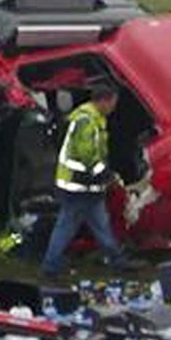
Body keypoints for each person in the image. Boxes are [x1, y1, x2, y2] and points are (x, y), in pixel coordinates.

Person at [40, 80, 137, 278]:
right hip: (77, 185)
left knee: (99, 223)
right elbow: (88, 155)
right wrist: (106, 174)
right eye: (113, 103)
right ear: (104, 101)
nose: (114, 107)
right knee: (68, 226)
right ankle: (50, 265)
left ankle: (117, 259)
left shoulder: (92, 119)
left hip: (86, 185)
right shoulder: (87, 121)